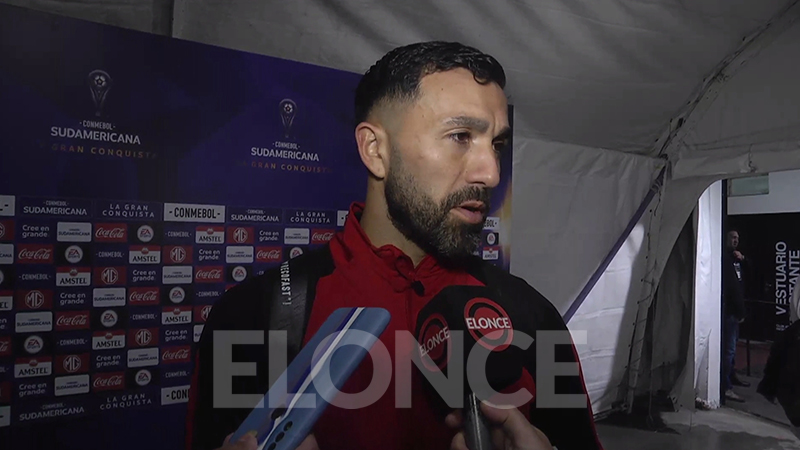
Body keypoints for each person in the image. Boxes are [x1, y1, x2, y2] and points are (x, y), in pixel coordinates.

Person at [185, 41, 604, 450]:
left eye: (497, 144)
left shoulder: (531, 316)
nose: (491, 173)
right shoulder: (253, 315)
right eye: (460, 136)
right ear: (375, 150)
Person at [721, 230, 749, 403]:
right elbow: (731, 287)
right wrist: (739, 310)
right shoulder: (725, 259)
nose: (735, 240)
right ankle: (725, 386)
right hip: (730, 311)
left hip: (736, 311)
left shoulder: (736, 258)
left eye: (737, 238)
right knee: (728, 350)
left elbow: (749, 274)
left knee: (732, 349)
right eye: (733, 237)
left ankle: (731, 377)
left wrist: (743, 259)